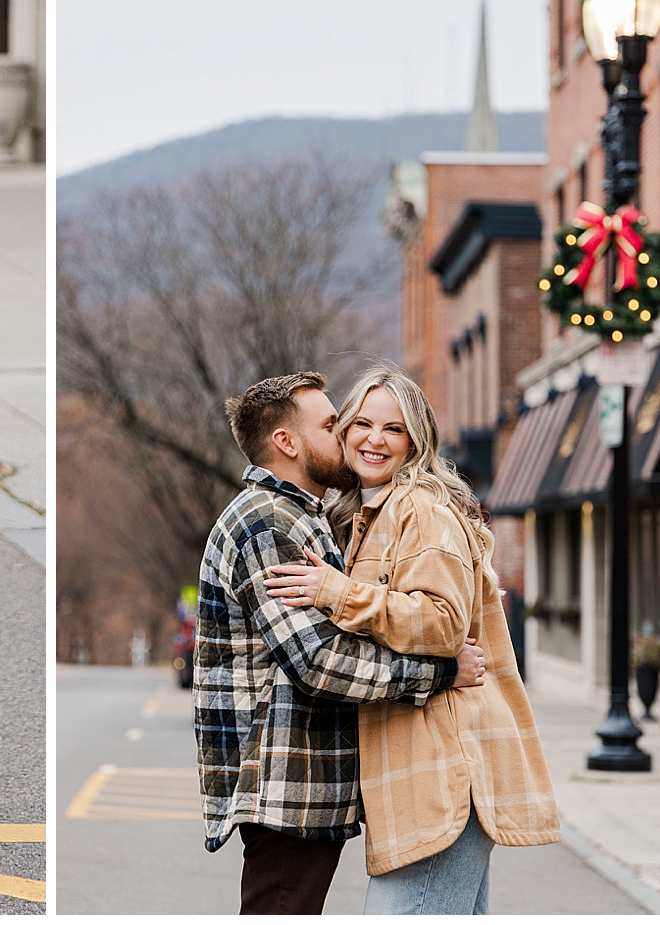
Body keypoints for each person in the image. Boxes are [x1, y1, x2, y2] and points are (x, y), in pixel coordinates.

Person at [264, 368, 560, 913]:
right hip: (418, 776)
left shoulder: (421, 508)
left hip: (444, 773)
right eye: (363, 424)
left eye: (394, 429)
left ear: (415, 441)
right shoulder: (365, 516)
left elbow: (443, 621)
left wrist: (338, 592)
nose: (375, 439)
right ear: (344, 430)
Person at [195, 371, 486, 916]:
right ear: (288, 442)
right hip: (286, 782)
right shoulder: (269, 524)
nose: (350, 435)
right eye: (334, 424)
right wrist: (440, 673)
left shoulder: (314, 518)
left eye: (388, 428)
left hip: (304, 782)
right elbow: (319, 660)